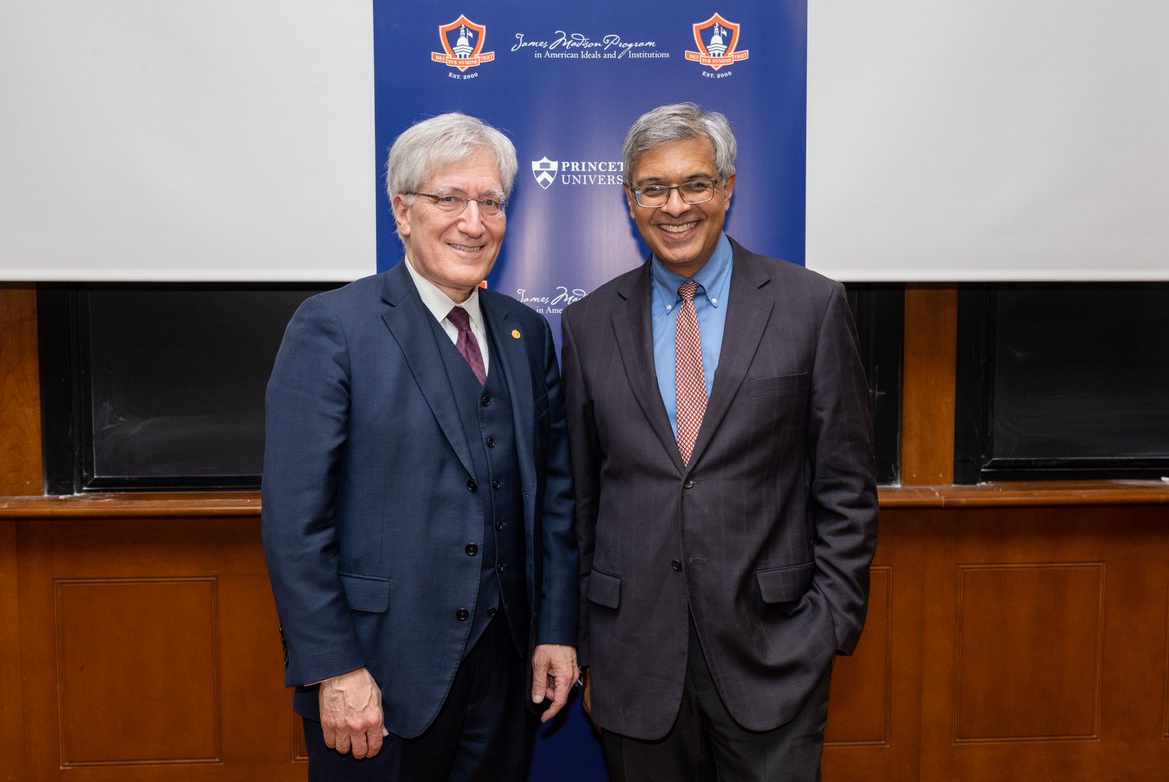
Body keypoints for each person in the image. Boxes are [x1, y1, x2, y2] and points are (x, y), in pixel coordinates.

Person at [561, 102, 878, 781]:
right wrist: (592, 645)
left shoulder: (811, 306)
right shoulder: (588, 325)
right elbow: (582, 502)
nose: (675, 206)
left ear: (728, 188)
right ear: (630, 200)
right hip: (635, 663)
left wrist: (827, 627)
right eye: (654, 188)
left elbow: (847, 487)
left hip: (774, 658)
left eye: (695, 184)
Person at [261, 112, 579, 781]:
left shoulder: (527, 334)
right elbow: (296, 523)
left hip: (506, 670)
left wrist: (556, 629)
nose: (474, 220)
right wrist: (335, 668)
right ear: (402, 212)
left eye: (490, 202)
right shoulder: (333, 329)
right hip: (379, 675)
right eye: (449, 199)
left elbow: (553, 498)